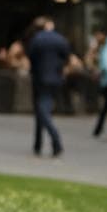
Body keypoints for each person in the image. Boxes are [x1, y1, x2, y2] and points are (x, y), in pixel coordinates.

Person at [26, 16, 68, 158]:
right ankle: (38, 144)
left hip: (40, 78)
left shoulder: (37, 39)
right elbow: (66, 56)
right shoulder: (60, 39)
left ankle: (55, 139)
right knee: (42, 109)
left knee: (42, 110)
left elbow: (31, 57)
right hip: (55, 78)